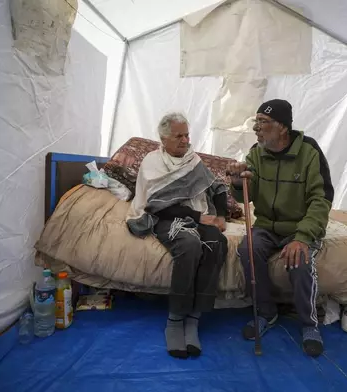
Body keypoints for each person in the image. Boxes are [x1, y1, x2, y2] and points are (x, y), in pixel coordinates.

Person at [227, 99, 334, 357]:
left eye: (263, 122)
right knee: (247, 249)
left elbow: (321, 199)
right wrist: (235, 181)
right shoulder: (256, 153)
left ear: (283, 128)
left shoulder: (309, 152)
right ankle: (267, 313)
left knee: (299, 258)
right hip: (267, 225)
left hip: (299, 226)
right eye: (256, 122)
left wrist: (303, 237)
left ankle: (309, 324)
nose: (257, 128)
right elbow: (245, 197)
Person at [126, 112, 229, 359]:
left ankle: (194, 319)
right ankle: (175, 321)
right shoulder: (153, 161)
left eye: (187, 135)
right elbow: (156, 203)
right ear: (164, 138)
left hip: (197, 215)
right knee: (190, 244)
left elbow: (217, 188)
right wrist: (197, 217)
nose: (185, 140)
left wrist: (222, 215)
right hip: (167, 218)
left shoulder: (193, 160)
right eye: (178, 136)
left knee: (217, 242)